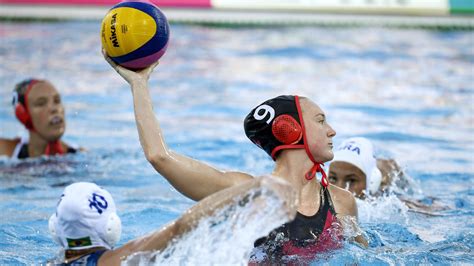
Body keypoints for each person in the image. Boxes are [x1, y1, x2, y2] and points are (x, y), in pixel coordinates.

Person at [103, 52, 368, 262]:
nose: (332, 130)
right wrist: (139, 84)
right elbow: (159, 156)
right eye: (321, 120)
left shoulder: (342, 202)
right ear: (289, 129)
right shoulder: (243, 192)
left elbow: (363, 258)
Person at [47, 179, 297, 265]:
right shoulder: (113, 261)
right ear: (111, 226)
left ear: (55, 228)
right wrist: (254, 185)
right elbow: (182, 225)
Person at [328, 137, 447, 214]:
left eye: (351, 180)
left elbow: (441, 210)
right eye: (332, 178)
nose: (340, 188)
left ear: (372, 182)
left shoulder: (388, 204)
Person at [0, 79, 78, 159]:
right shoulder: (5, 151)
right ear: (23, 114)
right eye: (41, 104)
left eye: (57, 101)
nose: (54, 109)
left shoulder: (78, 155)